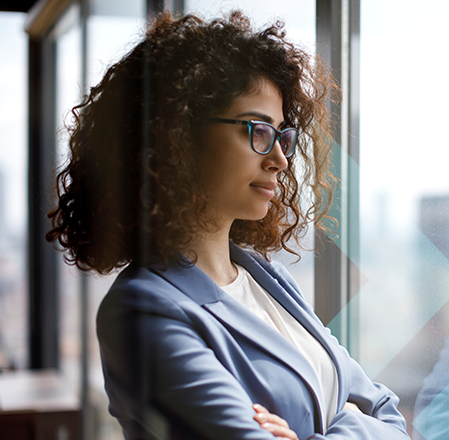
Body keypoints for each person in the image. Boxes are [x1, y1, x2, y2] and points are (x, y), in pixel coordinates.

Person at [46, 11, 409, 440]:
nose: (279, 159)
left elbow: (390, 415)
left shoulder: (264, 277)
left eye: (282, 135)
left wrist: (324, 430)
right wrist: (348, 417)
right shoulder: (142, 311)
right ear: (175, 135)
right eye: (256, 130)